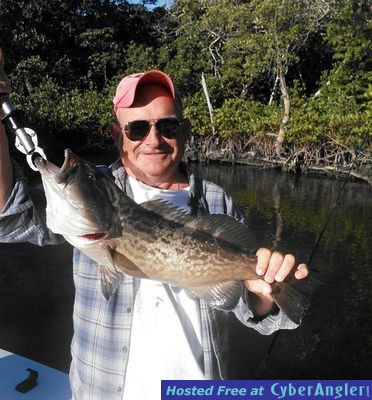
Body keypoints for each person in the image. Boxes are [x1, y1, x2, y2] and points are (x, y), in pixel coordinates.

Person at [0, 48, 309, 399]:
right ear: (116, 134)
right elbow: (6, 215)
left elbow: (243, 306)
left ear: (184, 130)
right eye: (136, 128)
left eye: (167, 125)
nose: (153, 139)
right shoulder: (97, 193)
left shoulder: (216, 200)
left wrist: (265, 294)